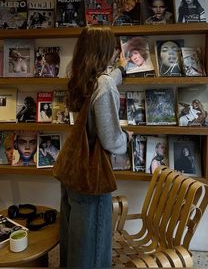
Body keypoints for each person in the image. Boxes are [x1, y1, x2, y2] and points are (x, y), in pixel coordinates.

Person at [60, 26, 133, 268]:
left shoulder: (83, 78)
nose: (116, 52)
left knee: (75, 243)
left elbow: (108, 79)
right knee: (91, 252)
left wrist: (121, 70)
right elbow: (112, 140)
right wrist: (128, 139)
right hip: (92, 181)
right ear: (105, 50)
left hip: (74, 174)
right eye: (113, 47)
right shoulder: (103, 85)